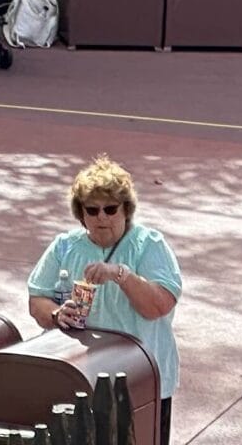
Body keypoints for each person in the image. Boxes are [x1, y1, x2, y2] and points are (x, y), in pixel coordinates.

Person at [25, 156, 184, 445]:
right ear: (81, 213)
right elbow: (37, 299)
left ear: (126, 210)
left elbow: (158, 306)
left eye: (110, 209)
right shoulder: (65, 246)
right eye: (92, 210)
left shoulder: (149, 245)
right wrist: (57, 314)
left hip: (141, 377)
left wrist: (121, 274)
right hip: (83, 377)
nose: (102, 217)